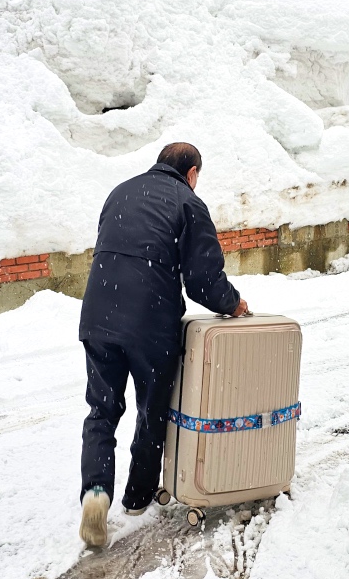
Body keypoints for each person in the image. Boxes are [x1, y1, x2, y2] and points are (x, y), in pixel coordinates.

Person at [76, 142, 249, 548]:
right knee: (152, 409)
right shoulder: (188, 202)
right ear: (191, 173)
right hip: (149, 322)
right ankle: (137, 498)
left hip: (99, 315)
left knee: (101, 411)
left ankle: (95, 496)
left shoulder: (120, 191)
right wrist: (233, 303)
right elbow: (203, 278)